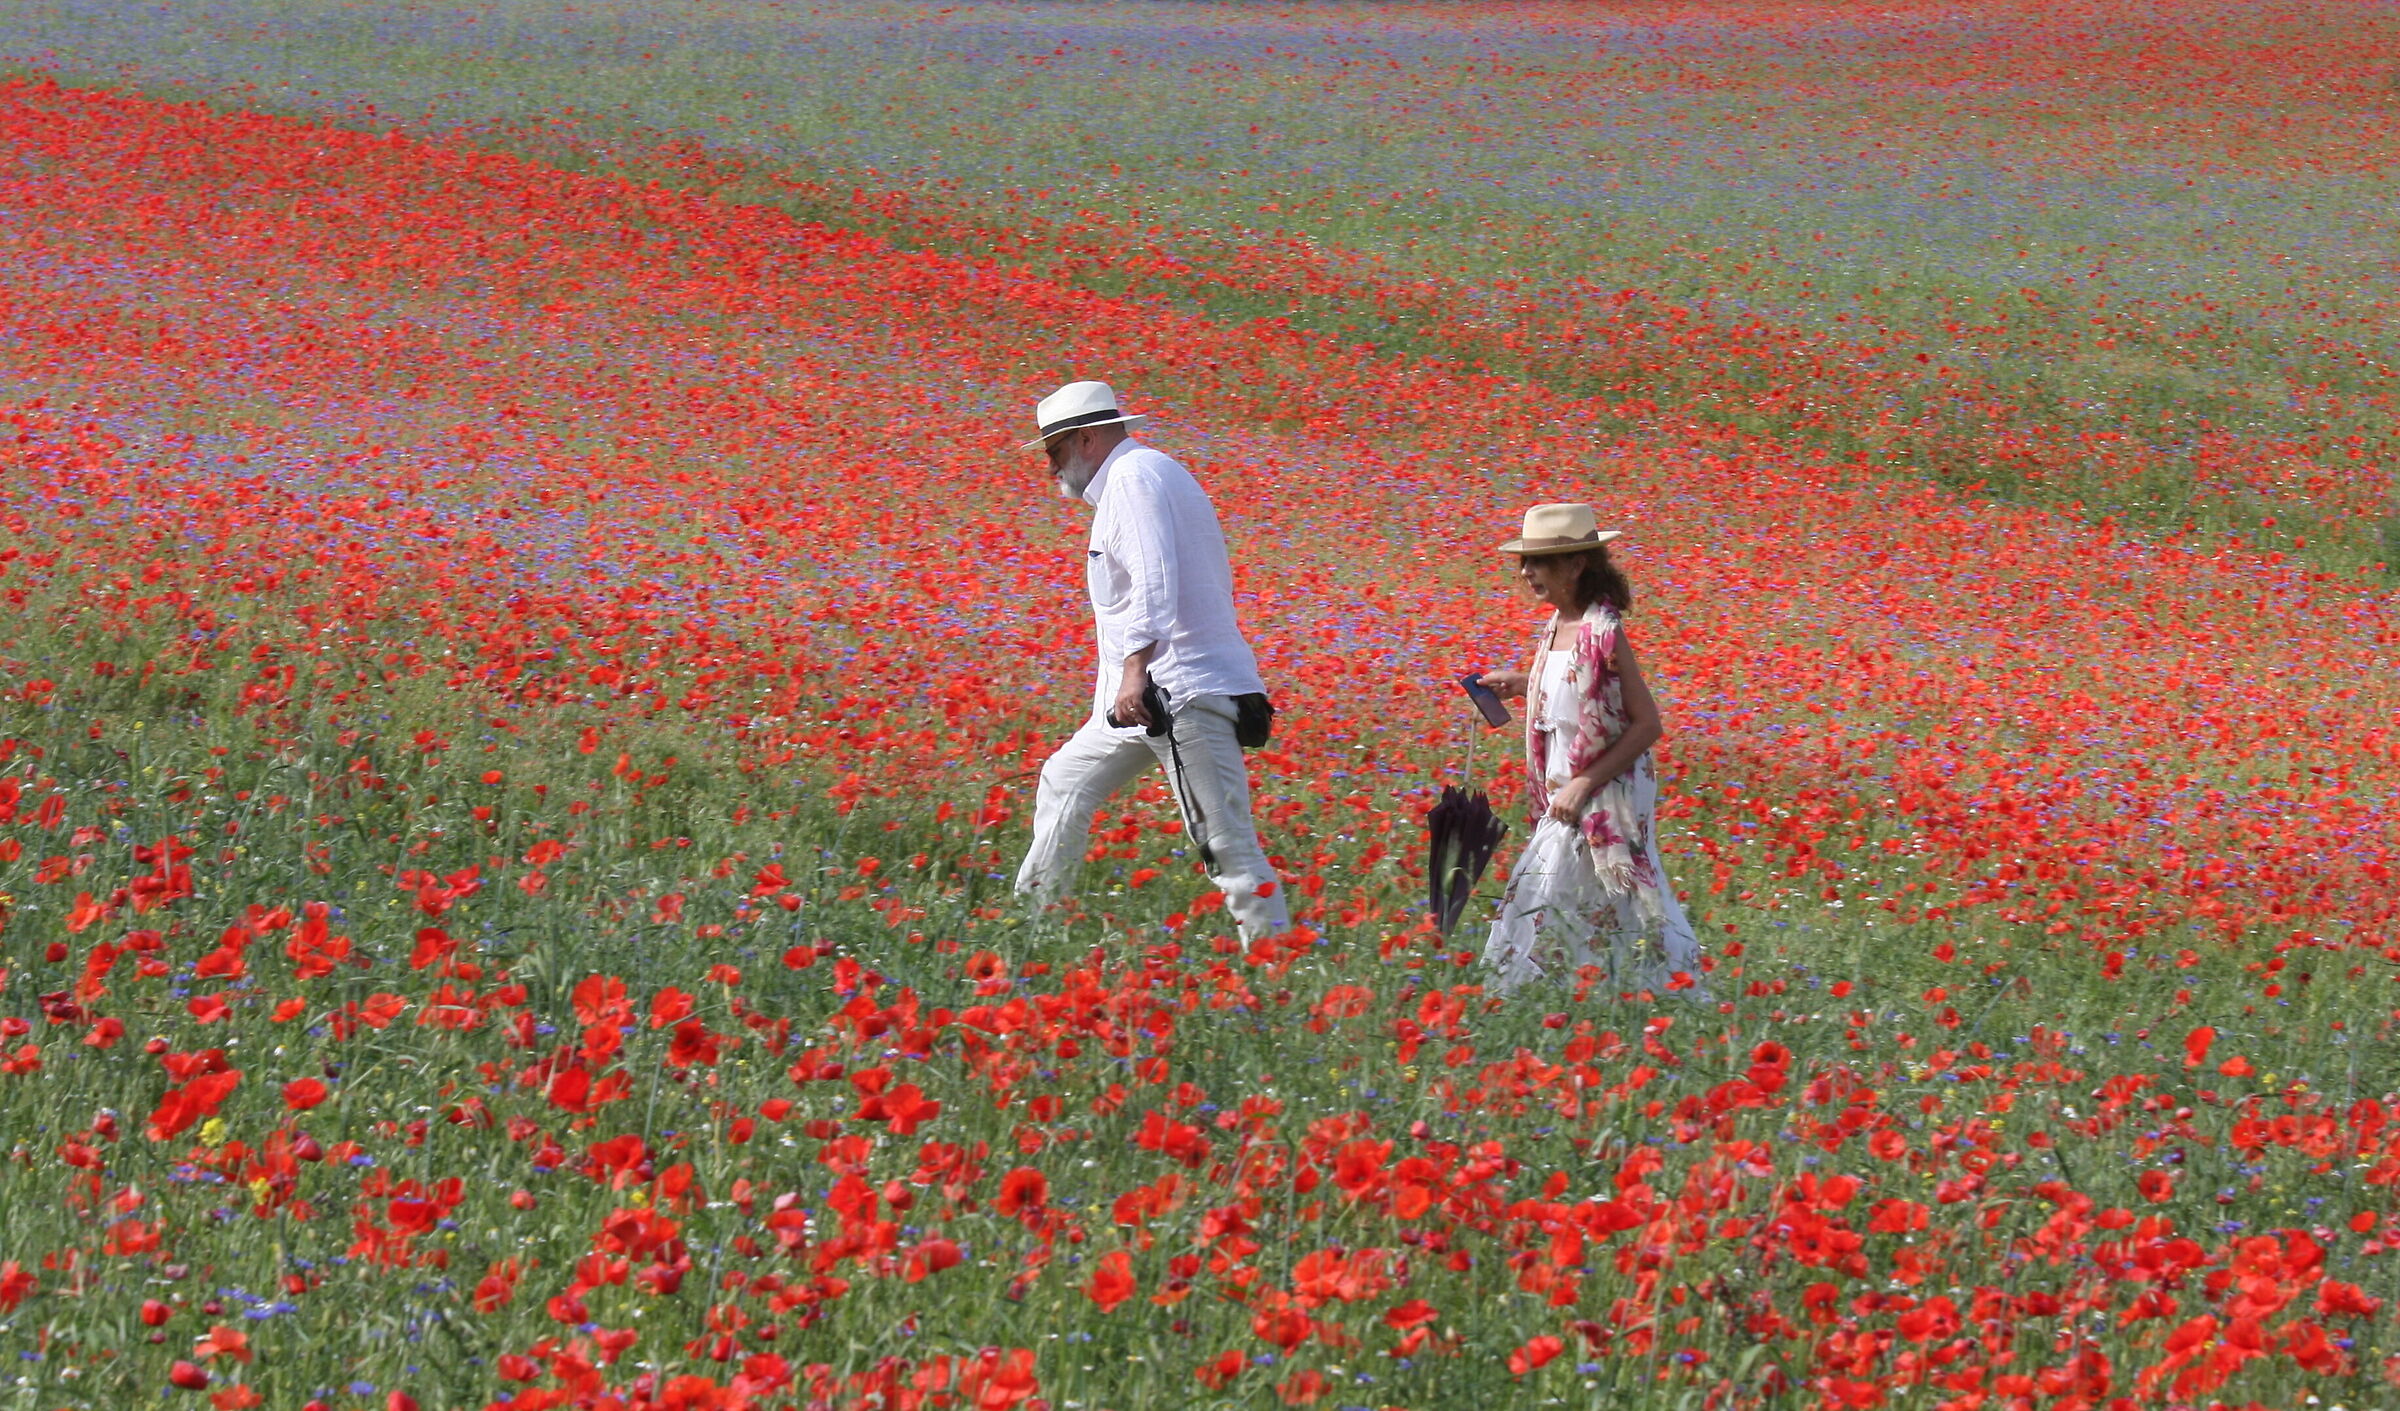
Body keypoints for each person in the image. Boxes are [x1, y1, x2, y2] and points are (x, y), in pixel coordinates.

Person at [1012, 380, 1290, 940]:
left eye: (1054, 452)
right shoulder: (1144, 474)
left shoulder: (1134, 479)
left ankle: (1276, 960)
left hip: (1175, 692)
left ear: (1086, 439)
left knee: (1225, 843)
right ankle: (1033, 928)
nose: (1049, 470)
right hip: (1142, 700)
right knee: (1064, 780)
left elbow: (1153, 578)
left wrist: (1136, 672)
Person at [1478, 503, 1702, 996]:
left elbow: (1647, 725)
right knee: (1604, 899)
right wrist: (1522, 683)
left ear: (1576, 565)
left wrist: (1582, 784)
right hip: (1568, 787)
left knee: (1550, 889)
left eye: (1538, 562)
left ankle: (1530, 992)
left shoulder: (1603, 633)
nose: (1526, 572)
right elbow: (1572, 693)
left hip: (1604, 791)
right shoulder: (1557, 626)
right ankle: (1617, 993)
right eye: (1524, 562)